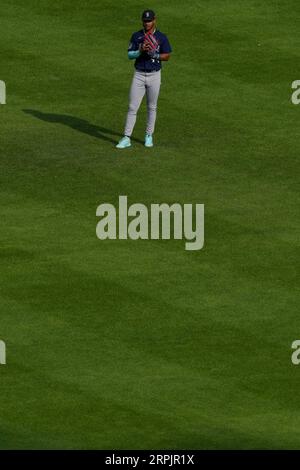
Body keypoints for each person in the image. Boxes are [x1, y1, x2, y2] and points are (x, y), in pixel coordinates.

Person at [116, 10, 172, 149]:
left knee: (152, 107)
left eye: (149, 20)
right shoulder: (136, 36)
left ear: (154, 20)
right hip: (139, 75)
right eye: (145, 21)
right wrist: (140, 51)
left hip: (155, 75)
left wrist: (155, 54)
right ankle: (127, 137)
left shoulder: (161, 37)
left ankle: (148, 135)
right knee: (132, 107)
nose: (147, 23)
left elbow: (167, 55)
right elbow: (130, 55)